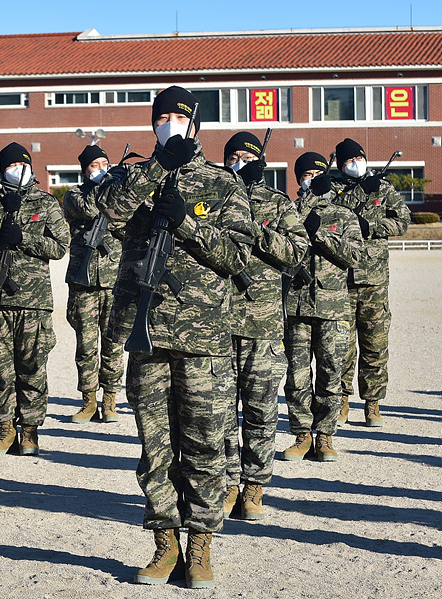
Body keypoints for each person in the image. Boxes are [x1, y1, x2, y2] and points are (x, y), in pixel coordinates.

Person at [96, 86, 254, 589]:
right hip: (147, 332)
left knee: (206, 445)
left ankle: (200, 545)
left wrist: (187, 223)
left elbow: (239, 258)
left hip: (204, 336)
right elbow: (107, 218)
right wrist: (154, 170)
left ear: (196, 124)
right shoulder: (133, 178)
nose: (169, 123)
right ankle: (164, 544)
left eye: (178, 117)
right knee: (155, 448)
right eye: (160, 117)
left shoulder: (223, 185)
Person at [220, 133, 309, 520]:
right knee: (218, 412)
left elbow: (297, 251)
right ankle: (226, 483)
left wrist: (255, 227)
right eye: (232, 156)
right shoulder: (214, 196)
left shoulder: (277, 203)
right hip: (216, 323)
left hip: (262, 323)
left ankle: (254, 486)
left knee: (259, 411)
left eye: (246, 156)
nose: (239, 161)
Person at [0, 142, 69, 456]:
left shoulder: (46, 203)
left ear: (30, 168)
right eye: (9, 166)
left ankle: (31, 431)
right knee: (1, 367)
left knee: (33, 365)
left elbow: (60, 247)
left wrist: (25, 237)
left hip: (33, 300)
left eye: (20, 166)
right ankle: (6, 428)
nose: (15, 171)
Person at [282, 152, 362, 462]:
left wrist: (320, 234)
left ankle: (325, 435)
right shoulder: (289, 210)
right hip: (296, 305)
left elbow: (354, 256)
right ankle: (302, 435)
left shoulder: (343, 216)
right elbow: (281, 246)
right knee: (297, 375)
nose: (312, 179)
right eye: (306, 175)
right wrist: (305, 213)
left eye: (318, 174)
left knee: (330, 373)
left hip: (331, 306)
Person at [330, 139, 410, 427]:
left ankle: (373, 403)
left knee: (375, 343)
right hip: (342, 279)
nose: (355, 163)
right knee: (342, 346)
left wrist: (371, 227)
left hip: (374, 280)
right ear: (340, 165)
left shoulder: (383, 188)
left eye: (359, 158)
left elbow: (402, 220)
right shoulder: (333, 189)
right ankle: (341, 401)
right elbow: (325, 218)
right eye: (349, 161)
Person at [63, 144, 124, 423]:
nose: (101, 169)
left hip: (114, 280)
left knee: (113, 343)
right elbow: (89, 209)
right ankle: (88, 400)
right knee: (86, 345)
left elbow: (124, 218)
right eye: (94, 165)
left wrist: (118, 188)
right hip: (83, 281)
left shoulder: (119, 195)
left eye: (105, 164)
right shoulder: (74, 194)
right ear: (84, 170)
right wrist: (110, 188)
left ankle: (110, 400)